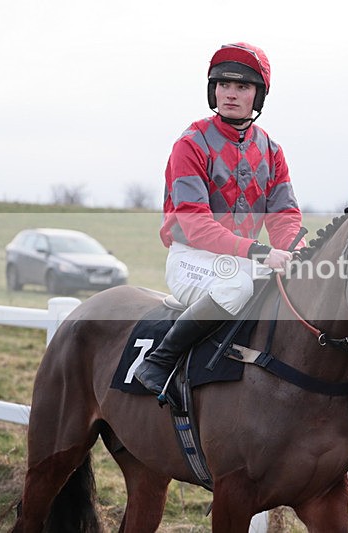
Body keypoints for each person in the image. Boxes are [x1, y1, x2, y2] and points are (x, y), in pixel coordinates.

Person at [135, 42, 304, 398]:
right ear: (213, 89)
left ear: (257, 96)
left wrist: (296, 251)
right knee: (239, 286)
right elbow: (195, 224)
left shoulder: (271, 151)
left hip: (243, 259)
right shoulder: (191, 144)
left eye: (242, 87)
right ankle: (160, 360)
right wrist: (259, 252)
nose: (230, 94)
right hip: (191, 258)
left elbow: (284, 215)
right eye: (223, 85)